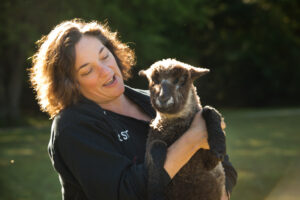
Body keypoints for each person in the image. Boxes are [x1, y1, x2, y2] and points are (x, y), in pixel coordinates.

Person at [29, 19, 237, 200]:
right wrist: (191, 141)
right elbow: (124, 193)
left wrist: (221, 191)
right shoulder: (73, 127)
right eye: (88, 70)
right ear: (70, 83)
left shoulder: (152, 100)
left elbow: (222, 162)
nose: (105, 70)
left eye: (104, 56)